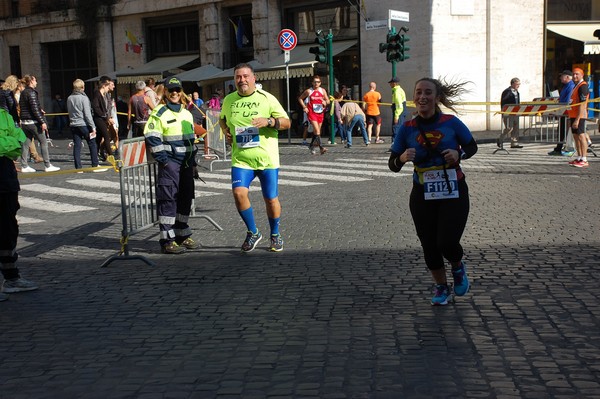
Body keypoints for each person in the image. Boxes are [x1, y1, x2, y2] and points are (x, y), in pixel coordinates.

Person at [388, 77, 478, 306]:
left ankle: (457, 267)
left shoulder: (451, 122)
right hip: (422, 194)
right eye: (418, 92)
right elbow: (393, 164)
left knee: (447, 242)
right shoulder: (407, 128)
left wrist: (460, 155)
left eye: (428, 92)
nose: (422, 97)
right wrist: (402, 157)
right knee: (429, 244)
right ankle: (441, 287)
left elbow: (471, 146)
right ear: (414, 97)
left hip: (453, 189)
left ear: (436, 98)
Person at [219, 63, 290, 252]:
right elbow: (222, 119)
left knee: (270, 198)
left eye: (245, 76)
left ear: (253, 78)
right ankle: (253, 232)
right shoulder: (229, 100)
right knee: (238, 193)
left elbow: (287, 122)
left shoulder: (267, 99)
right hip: (241, 158)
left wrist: (269, 121)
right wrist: (225, 130)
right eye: (238, 77)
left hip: (267, 159)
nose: (242, 80)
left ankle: (275, 234)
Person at [144, 77, 199, 254]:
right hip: (171, 164)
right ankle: (167, 239)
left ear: (181, 91)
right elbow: (152, 137)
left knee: (185, 198)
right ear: (165, 92)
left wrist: (193, 163)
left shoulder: (186, 113)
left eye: (177, 90)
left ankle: (182, 233)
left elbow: (191, 141)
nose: (174, 93)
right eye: (171, 90)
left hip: (186, 164)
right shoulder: (159, 112)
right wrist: (165, 161)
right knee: (168, 199)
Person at [0, 106, 38, 301]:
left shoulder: (4, 114)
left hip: (6, 179)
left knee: (8, 230)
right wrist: (9, 143)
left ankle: (12, 278)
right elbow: (12, 142)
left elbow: (19, 139)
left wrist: (8, 144)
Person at [19, 75, 60, 173]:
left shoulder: (23, 92)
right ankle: (47, 165)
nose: (36, 82)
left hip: (25, 122)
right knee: (43, 142)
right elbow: (34, 108)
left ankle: (24, 165)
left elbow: (27, 107)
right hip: (33, 122)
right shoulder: (32, 93)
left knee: (25, 144)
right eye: (35, 80)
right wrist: (42, 121)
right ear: (32, 81)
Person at [66, 79, 102, 171]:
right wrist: (93, 126)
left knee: (77, 145)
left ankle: (78, 167)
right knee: (92, 143)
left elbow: (69, 111)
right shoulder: (84, 98)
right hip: (83, 124)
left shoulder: (69, 98)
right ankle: (95, 164)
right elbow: (87, 114)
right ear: (82, 87)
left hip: (73, 124)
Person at [298, 75, 330, 155]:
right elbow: (300, 98)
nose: (316, 83)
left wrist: (325, 102)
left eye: (318, 82)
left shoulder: (322, 90)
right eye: (315, 82)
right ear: (312, 83)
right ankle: (321, 148)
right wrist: (304, 107)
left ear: (320, 83)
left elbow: (328, 100)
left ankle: (311, 146)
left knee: (317, 131)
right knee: (317, 130)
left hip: (320, 112)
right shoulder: (309, 91)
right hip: (312, 113)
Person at [567, 68, 590, 168]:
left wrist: (577, 119)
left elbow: (582, 104)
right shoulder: (576, 86)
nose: (575, 76)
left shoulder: (582, 86)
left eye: (577, 74)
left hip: (579, 116)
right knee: (576, 137)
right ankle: (579, 157)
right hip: (573, 115)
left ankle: (584, 159)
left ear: (582, 75)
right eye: (574, 74)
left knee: (581, 136)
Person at [91, 76, 113, 161]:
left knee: (99, 138)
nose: (108, 88)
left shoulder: (102, 95)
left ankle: (95, 156)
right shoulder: (97, 94)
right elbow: (96, 107)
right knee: (107, 137)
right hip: (99, 119)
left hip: (102, 118)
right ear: (104, 86)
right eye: (108, 86)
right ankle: (111, 156)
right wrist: (104, 116)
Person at [498, 77, 523, 149]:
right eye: (517, 84)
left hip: (515, 113)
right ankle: (500, 139)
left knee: (516, 127)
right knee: (509, 128)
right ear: (512, 84)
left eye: (519, 84)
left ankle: (514, 143)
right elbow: (504, 102)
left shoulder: (517, 92)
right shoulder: (507, 91)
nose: (518, 86)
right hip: (508, 113)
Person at [389, 77, 407, 143]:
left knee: (396, 128)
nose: (390, 84)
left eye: (390, 83)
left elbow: (399, 105)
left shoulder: (397, 92)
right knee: (400, 129)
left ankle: (394, 146)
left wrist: (396, 116)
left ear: (394, 83)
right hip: (402, 112)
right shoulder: (400, 90)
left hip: (399, 112)